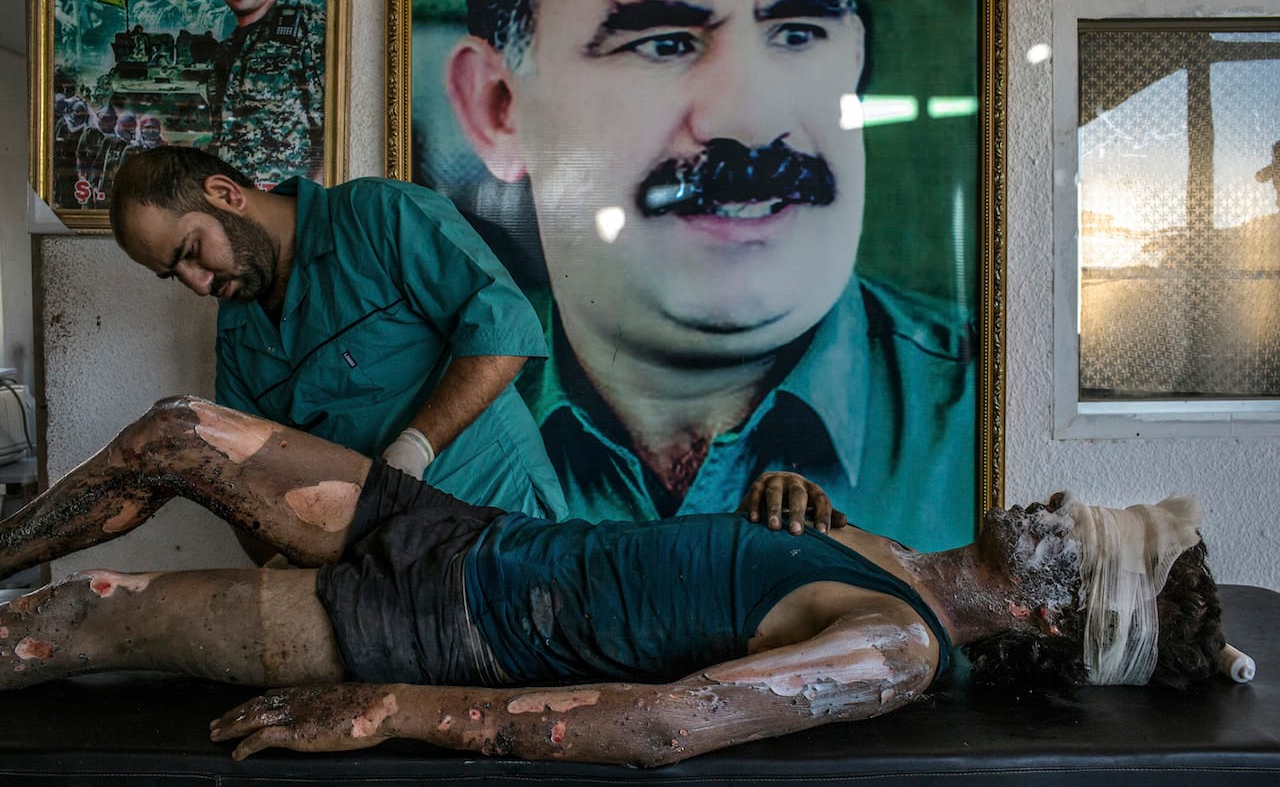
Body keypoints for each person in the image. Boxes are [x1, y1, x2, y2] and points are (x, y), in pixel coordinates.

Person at [0, 396, 1229, 766]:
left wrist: (386, 707)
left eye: (1087, 535)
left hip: (442, 623)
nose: (1063, 507)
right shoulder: (885, 547)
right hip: (465, 530)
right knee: (173, 432)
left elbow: (657, 722)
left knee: (68, 623)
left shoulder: (897, 650)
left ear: (1051, 613)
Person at [442, 0, 976, 549]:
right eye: (663, 44)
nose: (754, 119)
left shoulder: (986, 416)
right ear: (498, 107)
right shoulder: (441, 429)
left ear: (853, 57)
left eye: (798, 32)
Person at [108, 146, 567, 524]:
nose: (198, 284)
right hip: (387, 559)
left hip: (499, 513)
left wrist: (417, 446)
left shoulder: (380, 215)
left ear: (226, 194)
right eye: (174, 275)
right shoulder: (237, 333)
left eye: (191, 251)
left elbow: (505, 329)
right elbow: (246, 473)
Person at [206, 0, 326, 188]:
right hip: (236, 206)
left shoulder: (307, 26)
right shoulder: (226, 48)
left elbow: (338, 124)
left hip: (286, 207)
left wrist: (311, 204)